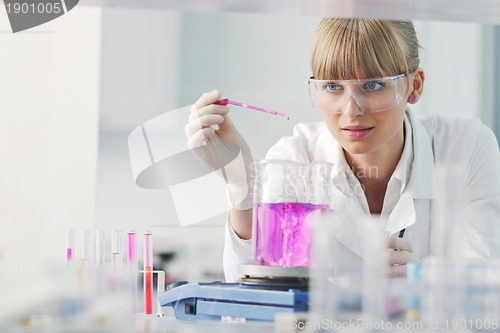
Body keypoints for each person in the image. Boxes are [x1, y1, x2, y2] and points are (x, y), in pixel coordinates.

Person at [185, 18, 500, 282]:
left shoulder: (466, 147)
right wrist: (242, 185)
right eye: (333, 87)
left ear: (413, 87)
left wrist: (422, 279)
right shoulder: (296, 160)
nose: (351, 110)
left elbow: (484, 291)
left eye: (373, 85)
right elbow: (255, 299)